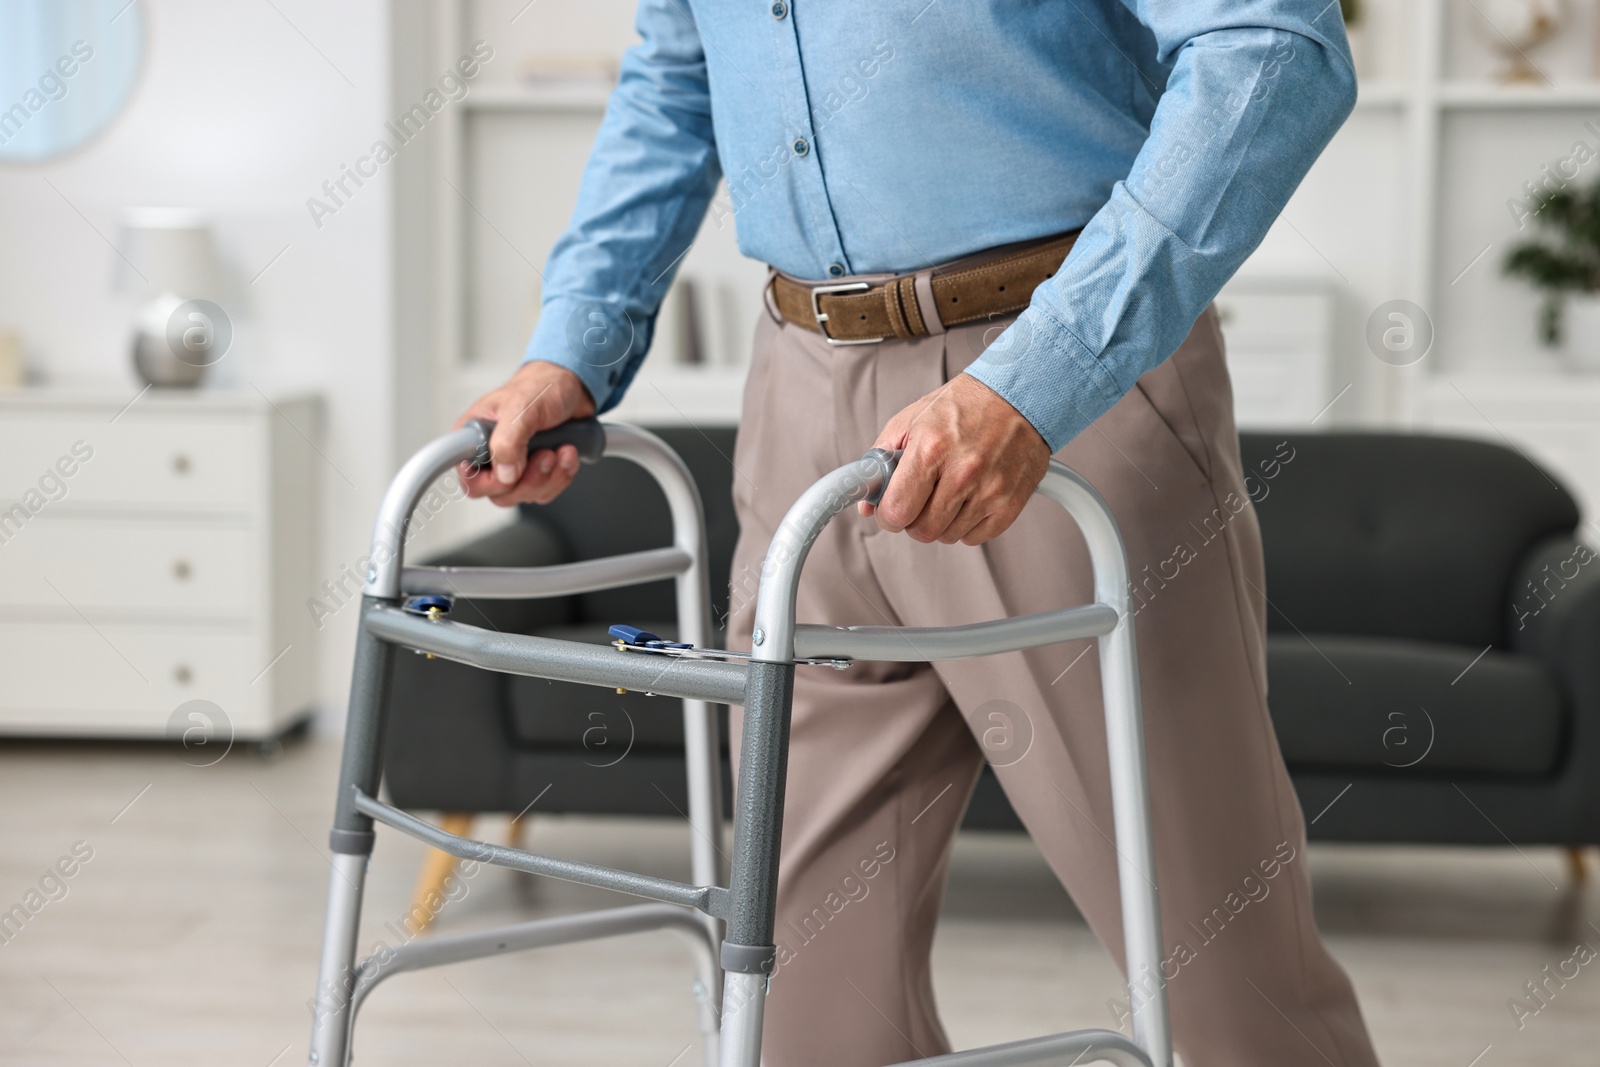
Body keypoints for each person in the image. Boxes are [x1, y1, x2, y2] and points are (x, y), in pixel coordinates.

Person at [456, 2, 1380, 1064]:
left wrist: (1038, 380)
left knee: (1221, 972)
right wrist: (571, 344)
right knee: (801, 992)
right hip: (800, 392)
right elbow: (675, 80)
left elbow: (1272, 48)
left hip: (1053, 392)